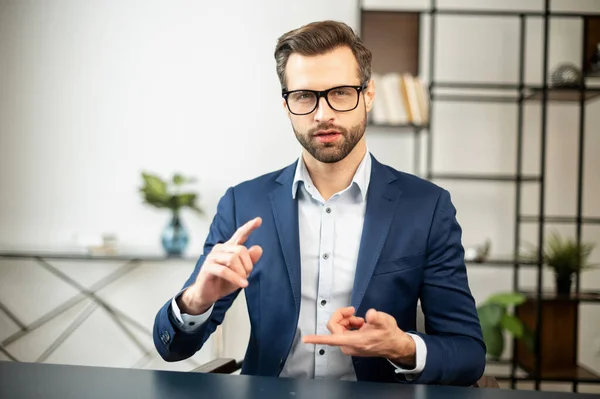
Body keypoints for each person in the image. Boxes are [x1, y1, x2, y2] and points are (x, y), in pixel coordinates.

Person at [153, 20, 486, 385]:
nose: (322, 113)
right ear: (286, 104)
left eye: (341, 92)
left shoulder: (426, 208)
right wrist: (196, 300)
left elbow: (468, 354)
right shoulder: (242, 204)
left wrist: (402, 346)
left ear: (369, 94)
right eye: (304, 96)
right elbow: (172, 348)